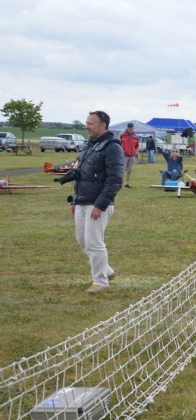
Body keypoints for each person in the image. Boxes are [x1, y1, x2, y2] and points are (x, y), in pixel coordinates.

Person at [57, 110, 124, 294]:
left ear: (103, 125)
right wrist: (75, 201)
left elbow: (115, 180)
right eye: (87, 123)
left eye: (91, 123)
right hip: (82, 201)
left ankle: (100, 281)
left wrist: (101, 205)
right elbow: (81, 174)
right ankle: (107, 271)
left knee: (94, 243)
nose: (87, 126)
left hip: (98, 204)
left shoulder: (112, 147)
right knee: (83, 240)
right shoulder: (89, 145)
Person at [119, 122, 140, 188]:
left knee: (129, 170)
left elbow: (136, 146)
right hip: (124, 155)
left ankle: (126, 183)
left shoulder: (136, 137)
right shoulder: (122, 135)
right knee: (122, 170)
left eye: (131, 128)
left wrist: (134, 152)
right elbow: (118, 145)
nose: (130, 129)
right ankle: (120, 183)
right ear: (127, 128)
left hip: (132, 156)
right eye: (129, 128)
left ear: (133, 128)